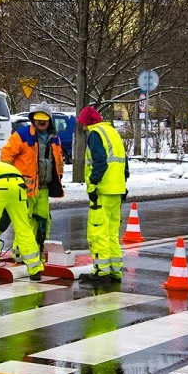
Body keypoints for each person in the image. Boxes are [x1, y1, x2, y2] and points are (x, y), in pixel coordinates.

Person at [0, 102, 65, 257]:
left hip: (44, 188)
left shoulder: (55, 138)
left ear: (49, 120)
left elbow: (59, 162)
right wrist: (11, 179)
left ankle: (39, 251)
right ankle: (20, 253)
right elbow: (6, 156)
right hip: (25, 190)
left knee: (43, 221)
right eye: (38, 119)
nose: (41, 122)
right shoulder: (22, 135)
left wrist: (58, 179)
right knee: (25, 222)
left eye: (44, 119)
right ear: (33, 119)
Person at [77, 106, 129, 282]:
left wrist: (92, 186)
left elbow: (100, 162)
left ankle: (101, 271)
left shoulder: (95, 134)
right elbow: (124, 163)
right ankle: (115, 270)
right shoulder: (112, 132)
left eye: (83, 124)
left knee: (98, 231)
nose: (83, 128)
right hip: (117, 190)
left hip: (102, 191)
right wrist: (123, 184)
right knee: (113, 232)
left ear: (87, 122)